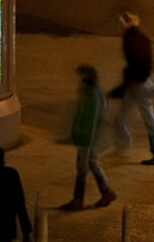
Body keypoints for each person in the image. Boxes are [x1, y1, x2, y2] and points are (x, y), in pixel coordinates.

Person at [108, 11, 154, 166]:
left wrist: (122, 87)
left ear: (123, 22)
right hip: (141, 82)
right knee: (123, 117)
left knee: (146, 118)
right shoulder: (142, 37)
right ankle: (125, 147)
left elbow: (135, 65)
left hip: (138, 84)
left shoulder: (129, 39)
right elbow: (146, 63)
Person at [60, 65, 117, 211]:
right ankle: (106, 192)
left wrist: (79, 137)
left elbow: (88, 119)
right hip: (90, 136)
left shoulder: (90, 94)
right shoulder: (92, 92)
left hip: (87, 137)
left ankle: (78, 200)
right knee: (92, 163)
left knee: (82, 168)